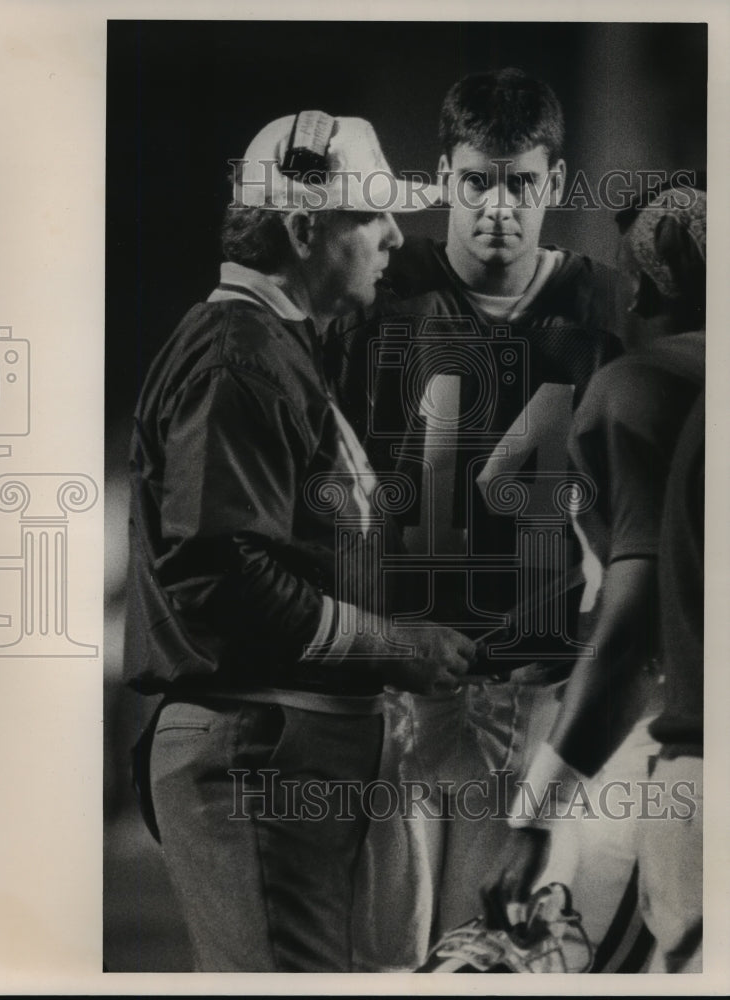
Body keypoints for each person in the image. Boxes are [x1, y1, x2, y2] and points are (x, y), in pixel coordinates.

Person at [122, 110, 478, 973]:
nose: (395, 235)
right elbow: (221, 574)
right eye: (372, 215)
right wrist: (393, 642)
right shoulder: (235, 350)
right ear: (304, 225)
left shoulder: (272, 343)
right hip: (261, 738)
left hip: (289, 742)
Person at [326, 68, 624, 969]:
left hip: (536, 682)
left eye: (522, 184)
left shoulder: (604, 304)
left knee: (494, 956)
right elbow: (332, 484)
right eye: (476, 183)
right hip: (402, 685)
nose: (498, 208)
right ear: (445, 175)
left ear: (557, 186)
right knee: (384, 955)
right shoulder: (381, 290)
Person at [484, 186, 706, 973]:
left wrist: (536, 808)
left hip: (657, 737)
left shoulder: (632, 384)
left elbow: (631, 617)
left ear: (645, 285)